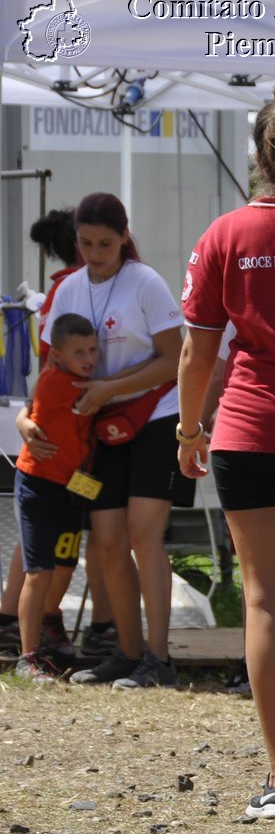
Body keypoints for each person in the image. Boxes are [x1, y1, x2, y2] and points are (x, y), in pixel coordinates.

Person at [176, 75, 275, 820]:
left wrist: (188, 428)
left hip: (249, 426)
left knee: (266, 602)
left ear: (259, 153)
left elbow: (197, 357)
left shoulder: (226, 235)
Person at [37, 192, 192, 690]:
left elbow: (175, 359)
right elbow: (50, 364)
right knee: (105, 542)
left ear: (125, 238)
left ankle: (159, 658)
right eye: (86, 243)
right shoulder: (68, 288)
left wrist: (110, 388)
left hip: (154, 418)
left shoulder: (145, 282)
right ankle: (126, 653)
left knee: (144, 533)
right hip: (99, 429)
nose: (95, 253)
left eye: (106, 243)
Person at [0, 208, 117, 664]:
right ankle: (36, 633)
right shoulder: (73, 290)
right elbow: (46, 375)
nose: (89, 356)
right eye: (92, 243)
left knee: (57, 558)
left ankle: (28, 623)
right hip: (46, 477)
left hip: (72, 474)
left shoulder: (75, 288)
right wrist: (26, 420)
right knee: (42, 561)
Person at [11, 314, 98, 682]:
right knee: (39, 571)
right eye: (79, 351)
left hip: (72, 485)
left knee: (64, 564)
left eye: (93, 349)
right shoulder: (61, 383)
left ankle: (51, 620)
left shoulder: (79, 379)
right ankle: (27, 657)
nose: (89, 358)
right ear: (57, 356)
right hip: (37, 485)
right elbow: (111, 392)